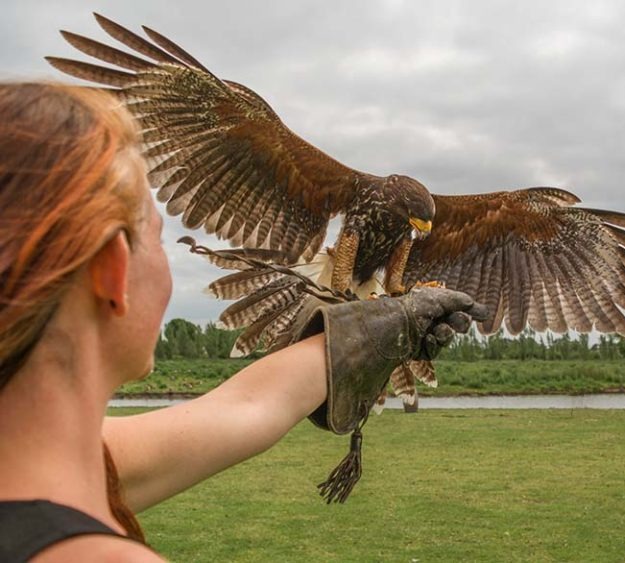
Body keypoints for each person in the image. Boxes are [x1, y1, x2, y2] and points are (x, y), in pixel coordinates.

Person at [0, 82, 484, 562]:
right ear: (113, 269)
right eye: (159, 237)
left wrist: (365, 330)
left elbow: (244, 409)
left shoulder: (59, 460)